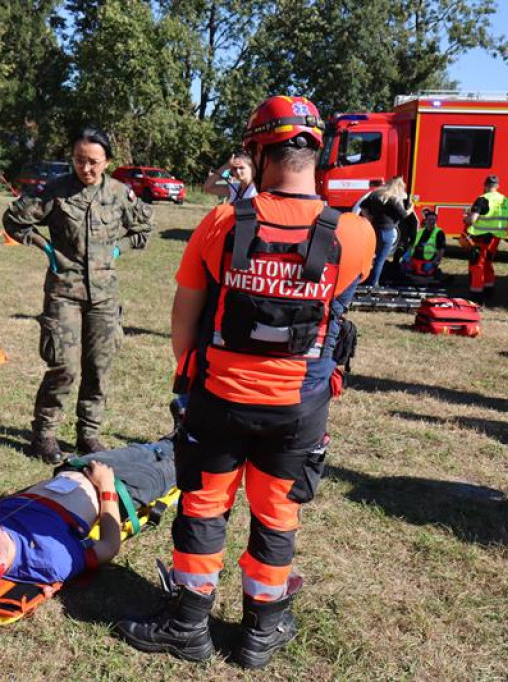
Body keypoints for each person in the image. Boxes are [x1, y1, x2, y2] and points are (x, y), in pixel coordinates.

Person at [115, 96, 375, 669]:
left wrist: (191, 379)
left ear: (259, 151)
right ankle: (262, 628)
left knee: (205, 506)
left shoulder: (222, 222)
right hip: (299, 406)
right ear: (316, 153)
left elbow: (185, 317)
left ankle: (188, 624)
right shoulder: (354, 235)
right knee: (278, 513)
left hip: (220, 398)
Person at [3, 128, 154, 464]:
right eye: (79, 161)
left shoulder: (119, 194)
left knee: (99, 366)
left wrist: (118, 248)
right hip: (64, 292)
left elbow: (143, 230)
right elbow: (14, 220)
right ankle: (44, 434)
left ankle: (88, 433)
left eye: (93, 162)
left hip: (104, 296)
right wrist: (47, 249)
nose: (86, 168)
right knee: (64, 366)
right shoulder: (56, 191)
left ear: (108, 163)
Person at [0, 437, 176, 596]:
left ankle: (184, 430)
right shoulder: (51, 560)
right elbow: (109, 547)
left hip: (81, 467)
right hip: (121, 489)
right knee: (177, 463)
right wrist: (106, 486)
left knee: (151, 449)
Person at [463, 175, 508, 302]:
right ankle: (489, 290)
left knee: (477, 265)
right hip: (495, 239)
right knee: (488, 264)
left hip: (481, 237)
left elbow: (472, 219)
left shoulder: (482, 199)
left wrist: (466, 218)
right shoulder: (506, 201)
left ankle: (476, 296)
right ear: (498, 186)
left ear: (485, 185)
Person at [360, 176, 412, 287]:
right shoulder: (393, 199)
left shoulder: (376, 194)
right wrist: (411, 208)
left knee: (369, 256)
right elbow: (403, 215)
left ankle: (361, 278)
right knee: (380, 259)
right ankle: (374, 283)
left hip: (373, 230)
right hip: (388, 232)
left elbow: (362, 206)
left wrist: (369, 217)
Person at [400, 208, 447, 282]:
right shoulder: (420, 231)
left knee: (422, 276)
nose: (432, 222)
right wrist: (407, 255)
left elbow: (441, 250)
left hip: (428, 261)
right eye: (430, 219)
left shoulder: (439, 233)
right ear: (426, 220)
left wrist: (434, 262)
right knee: (404, 271)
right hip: (414, 259)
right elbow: (412, 244)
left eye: (433, 220)